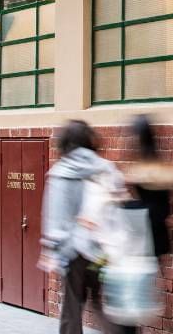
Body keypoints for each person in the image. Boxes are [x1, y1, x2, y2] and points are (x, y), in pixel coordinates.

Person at [40, 120, 125, 334]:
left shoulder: (61, 172)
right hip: (102, 249)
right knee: (103, 304)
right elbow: (118, 206)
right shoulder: (106, 168)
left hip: (73, 252)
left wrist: (51, 249)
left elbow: (55, 217)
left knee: (72, 308)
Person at [123, 116, 173, 263]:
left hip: (148, 227)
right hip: (151, 226)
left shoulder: (146, 166)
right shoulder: (152, 164)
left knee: (149, 267)